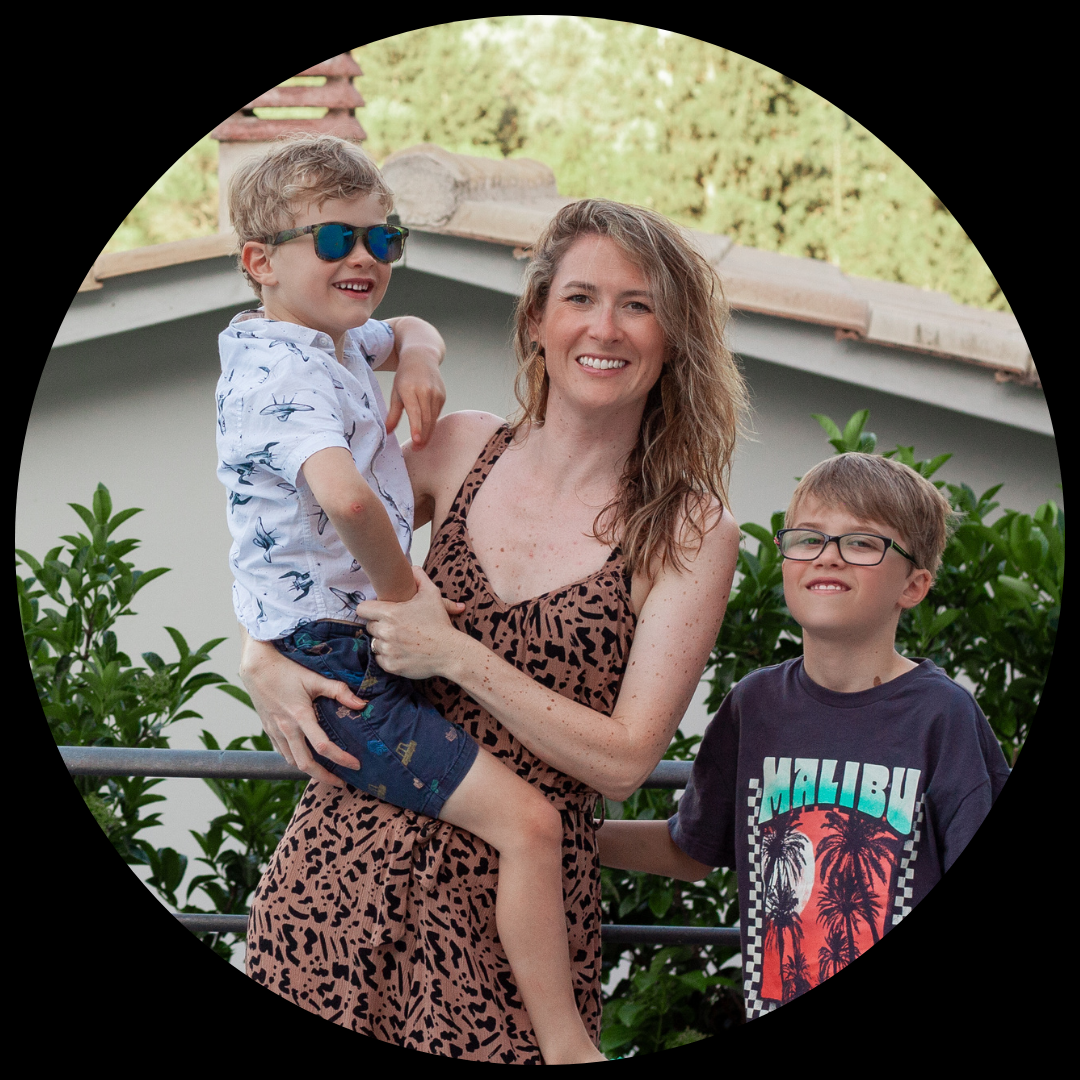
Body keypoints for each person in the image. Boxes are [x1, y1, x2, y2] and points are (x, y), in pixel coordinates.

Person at [239, 196, 747, 1061]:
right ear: (540, 317)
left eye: (640, 304)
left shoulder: (690, 531)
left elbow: (625, 760)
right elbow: (297, 544)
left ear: (674, 339)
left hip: (514, 937)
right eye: (582, 297)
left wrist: (455, 655)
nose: (607, 328)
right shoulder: (453, 447)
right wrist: (256, 655)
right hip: (337, 878)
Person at [219, 135, 616, 1063]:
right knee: (529, 825)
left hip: (325, 639)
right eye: (331, 240)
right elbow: (347, 497)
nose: (362, 258)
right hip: (343, 661)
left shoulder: (315, 337)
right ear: (258, 262)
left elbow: (413, 332)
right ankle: (567, 1046)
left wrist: (420, 359)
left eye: (382, 238)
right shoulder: (283, 374)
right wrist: (412, 600)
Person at [598, 452, 1011, 1017]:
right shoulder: (754, 705)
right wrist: (568, 835)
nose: (829, 557)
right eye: (809, 537)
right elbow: (691, 848)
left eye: (863, 543)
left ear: (914, 586)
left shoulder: (944, 717)